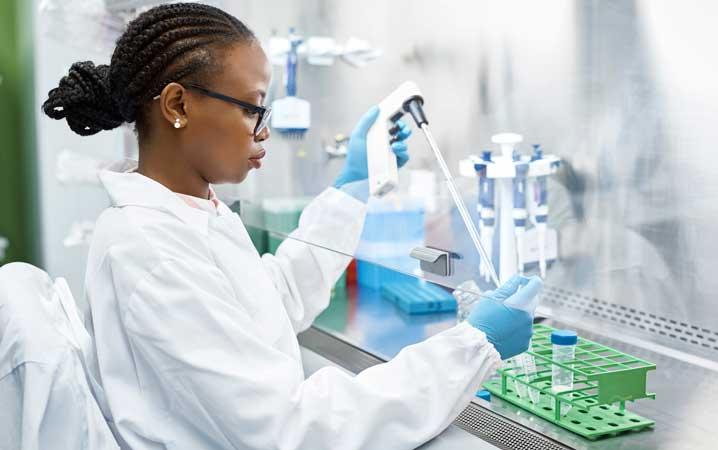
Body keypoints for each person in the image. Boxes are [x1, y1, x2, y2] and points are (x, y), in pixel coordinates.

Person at [41, 3, 540, 449]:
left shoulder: (191, 213)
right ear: (178, 105)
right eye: (252, 108)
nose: (263, 131)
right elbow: (289, 432)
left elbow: (266, 304)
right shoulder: (149, 249)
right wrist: (474, 345)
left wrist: (350, 191)